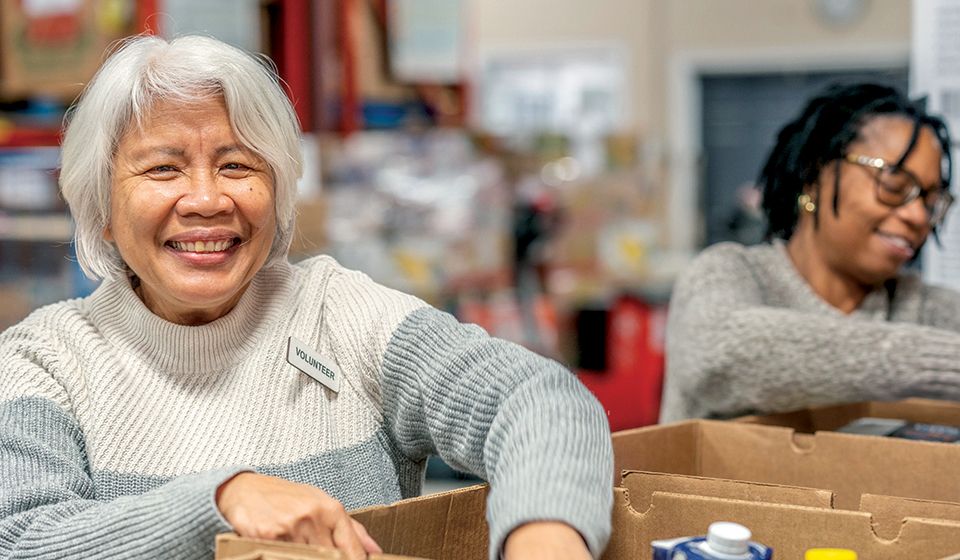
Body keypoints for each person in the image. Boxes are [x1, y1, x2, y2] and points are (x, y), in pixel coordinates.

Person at [0, 35, 613, 559]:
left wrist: (544, 536)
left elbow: (537, 401)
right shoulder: (43, 361)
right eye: (163, 169)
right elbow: (22, 540)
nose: (207, 199)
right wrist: (220, 502)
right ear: (101, 207)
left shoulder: (340, 313)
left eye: (238, 165)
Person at [660, 82, 960, 422]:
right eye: (894, 185)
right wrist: (939, 364)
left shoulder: (925, 309)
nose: (918, 216)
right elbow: (724, 355)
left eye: (931, 201)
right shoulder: (728, 274)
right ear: (814, 174)